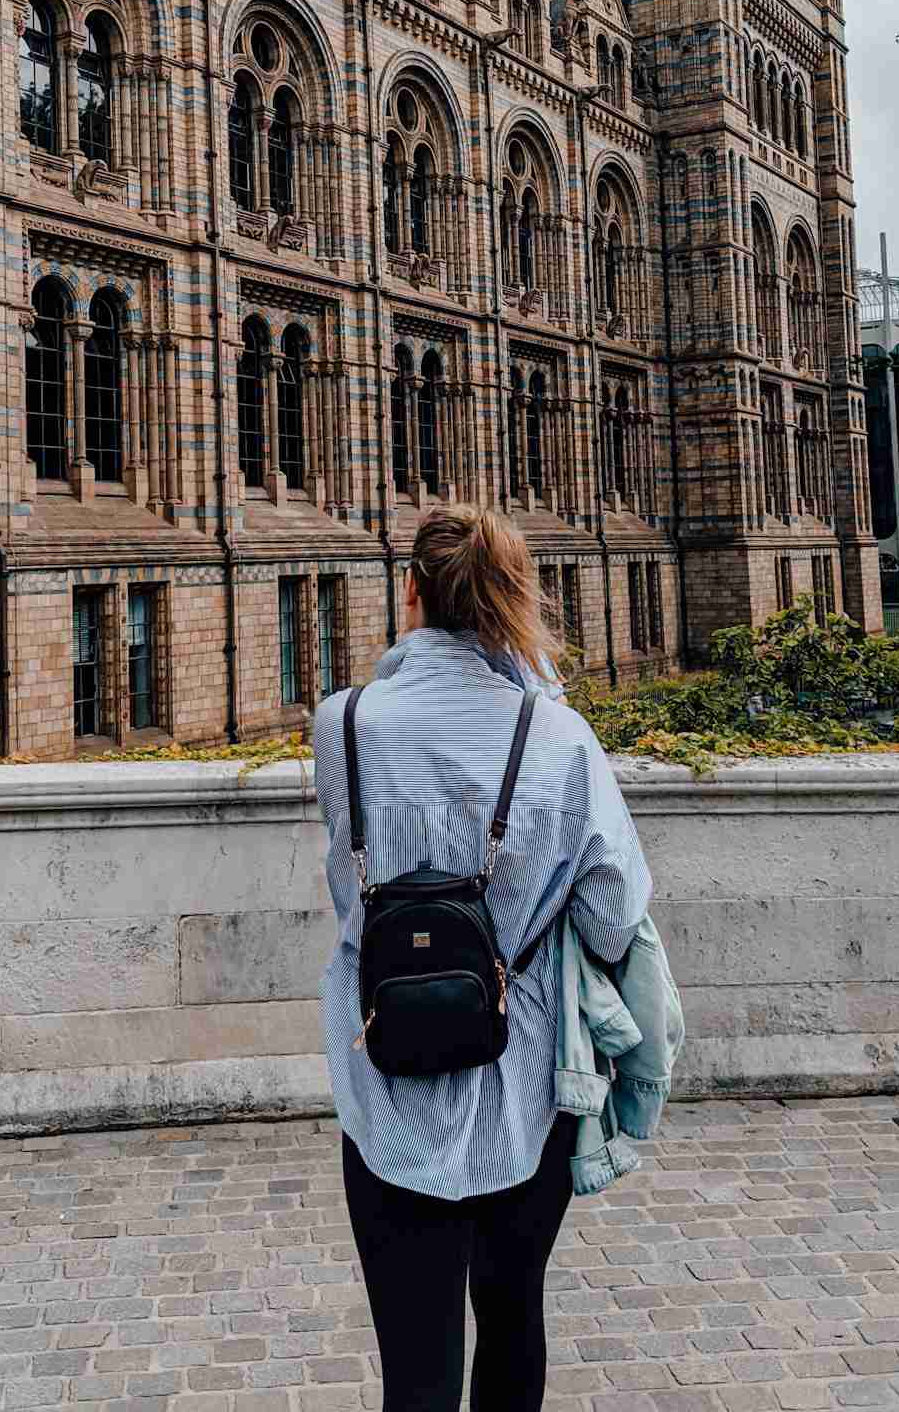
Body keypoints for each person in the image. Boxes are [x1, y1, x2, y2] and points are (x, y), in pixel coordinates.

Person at [312, 504, 653, 1412]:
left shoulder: (341, 725)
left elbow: (355, 887)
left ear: (411, 592)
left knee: (415, 1369)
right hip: (523, 1090)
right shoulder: (556, 735)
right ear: (510, 600)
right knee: (513, 1319)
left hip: (388, 1085)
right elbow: (616, 917)